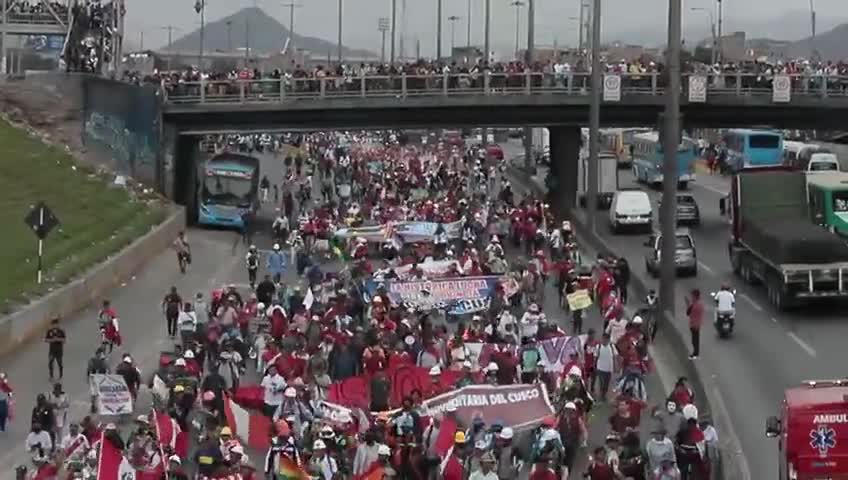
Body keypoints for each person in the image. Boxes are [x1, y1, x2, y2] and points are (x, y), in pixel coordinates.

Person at [685, 289, 703, 360]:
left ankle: (695, 354)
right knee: (695, 339)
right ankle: (696, 353)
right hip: (697, 324)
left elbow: (688, 313)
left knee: (694, 340)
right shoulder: (699, 304)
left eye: (692, 296)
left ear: (695, 296)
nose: (691, 297)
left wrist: (688, 304)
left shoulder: (695, 304)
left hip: (694, 324)